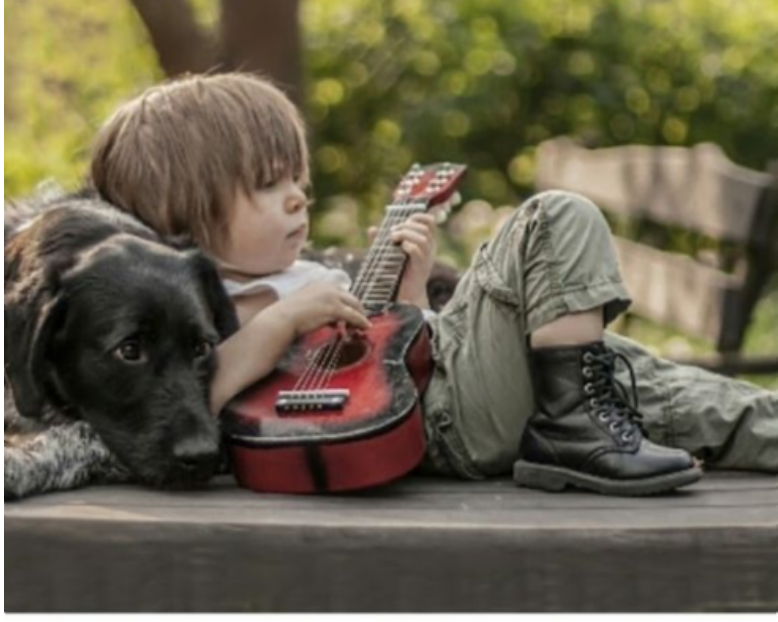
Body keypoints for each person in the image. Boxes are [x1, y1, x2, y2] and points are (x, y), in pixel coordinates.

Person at [89, 72, 777, 496]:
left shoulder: (309, 276)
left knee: (679, 395)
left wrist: (410, 297)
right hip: (441, 425)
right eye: (269, 186)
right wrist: (278, 322)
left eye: (298, 178)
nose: (298, 197)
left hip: (450, 401)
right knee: (552, 219)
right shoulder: (198, 309)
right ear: (184, 215)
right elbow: (180, 406)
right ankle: (575, 428)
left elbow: (392, 361)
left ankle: (590, 415)